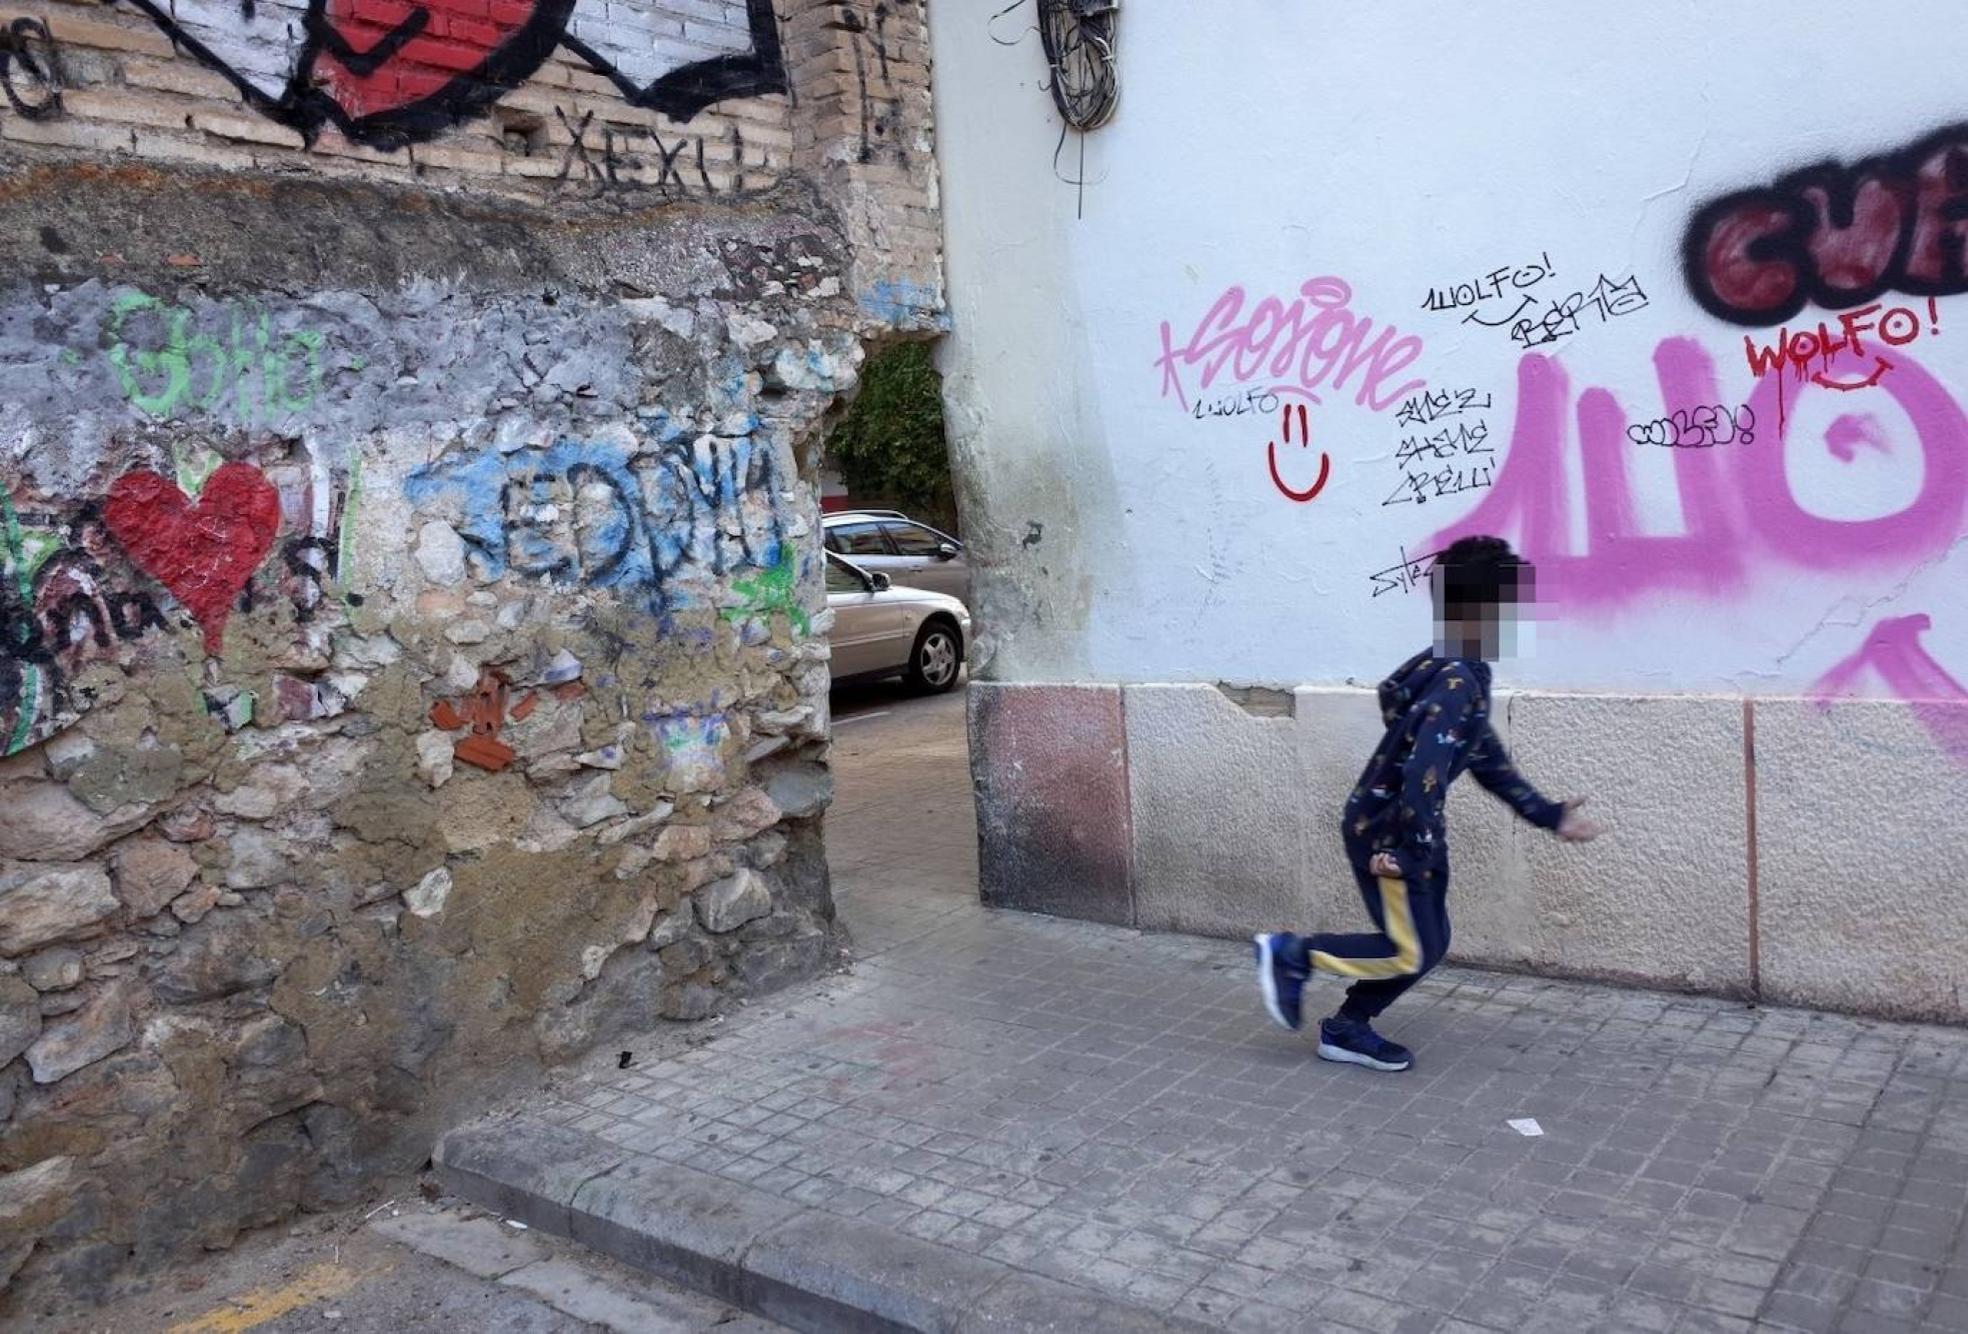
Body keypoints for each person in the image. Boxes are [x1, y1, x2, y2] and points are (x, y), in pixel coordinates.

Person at [1254, 535, 1603, 1071]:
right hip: (1392, 831)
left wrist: (1548, 814)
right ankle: (1291, 956)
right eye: (1513, 607)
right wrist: (1409, 853)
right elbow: (1422, 775)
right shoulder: (1457, 681)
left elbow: (1485, 759)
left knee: (1428, 940)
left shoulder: (1456, 670)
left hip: (1404, 828)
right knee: (1410, 947)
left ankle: (1347, 1028)